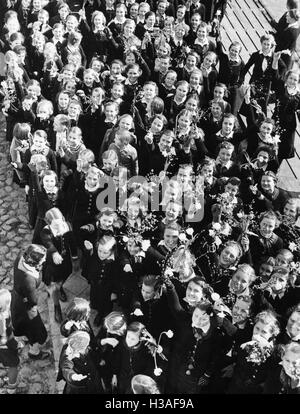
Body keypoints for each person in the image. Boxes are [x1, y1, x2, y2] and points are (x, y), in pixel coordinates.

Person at [11, 244, 51, 360]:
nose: (44, 261)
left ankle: (23, 338)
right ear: (34, 262)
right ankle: (34, 352)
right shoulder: (28, 280)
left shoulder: (21, 257)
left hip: (18, 298)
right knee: (35, 329)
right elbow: (33, 301)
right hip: (26, 307)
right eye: (42, 260)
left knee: (21, 324)